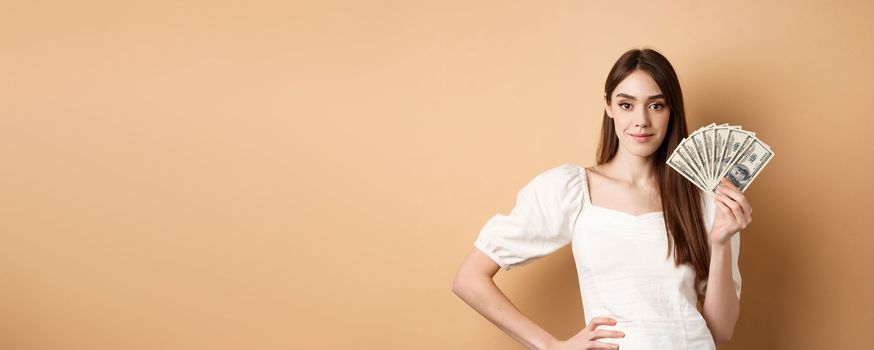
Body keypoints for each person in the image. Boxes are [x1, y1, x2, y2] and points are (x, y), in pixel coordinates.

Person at [451, 48, 751, 350]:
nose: (641, 120)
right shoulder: (572, 190)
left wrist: (721, 242)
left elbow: (721, 332)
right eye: (626, 105)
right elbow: (470, 278)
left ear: (672, 110)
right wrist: (552, 346)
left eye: (656, 105)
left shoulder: (702, 199)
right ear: (608, 106)